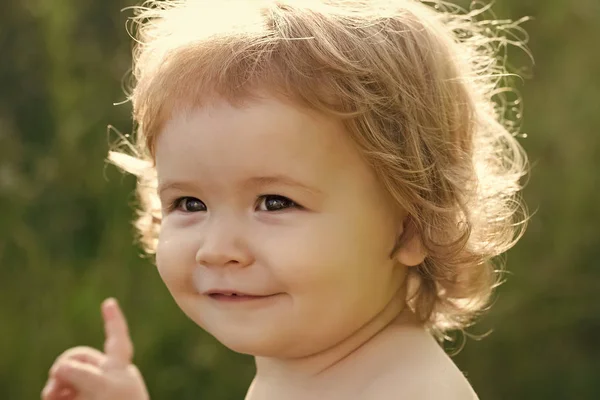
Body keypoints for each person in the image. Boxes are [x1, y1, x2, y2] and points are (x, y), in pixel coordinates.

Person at [41, 0, 529, 398]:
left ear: (413, 225)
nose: (217, 248)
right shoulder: (312, 369)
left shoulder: (406, 391)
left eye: (274, 202)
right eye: (190, 204)